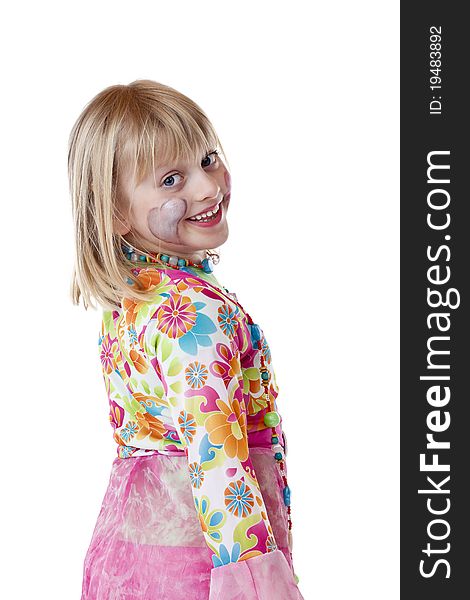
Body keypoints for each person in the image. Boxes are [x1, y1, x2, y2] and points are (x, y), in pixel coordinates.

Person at [69, 79, 304, 600]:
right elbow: (216, 456)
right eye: (172, 179)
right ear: (114, 213)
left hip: (128, 557)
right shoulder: (191, 313)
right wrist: (258, 585)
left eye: (208, 158)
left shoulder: (134, 300)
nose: (205, 187)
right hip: (199, 573)